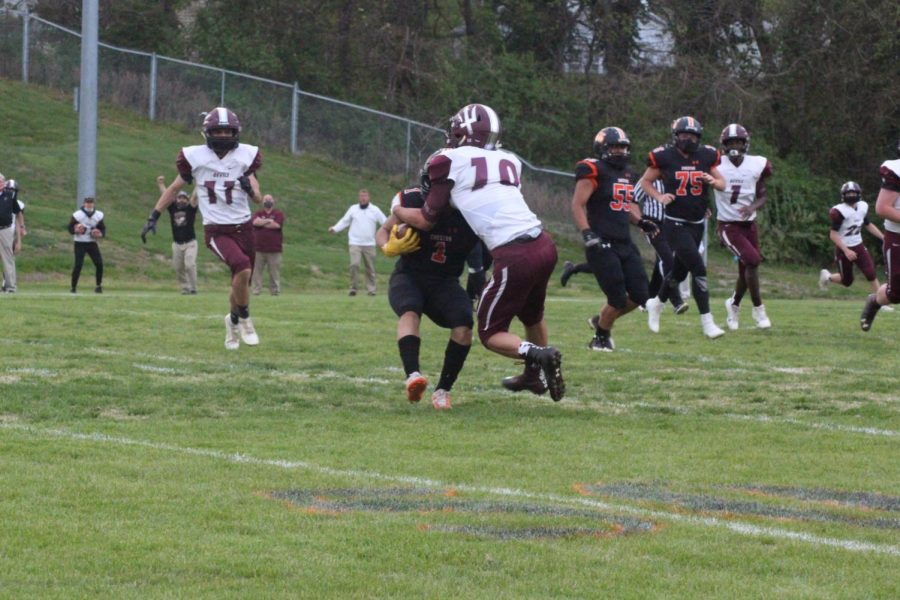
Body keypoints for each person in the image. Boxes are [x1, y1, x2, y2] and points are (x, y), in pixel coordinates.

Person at [393, 103, 565, 401]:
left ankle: (537, 355)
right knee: (532, 315)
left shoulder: (446, 159)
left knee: (490, 334)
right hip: (544, 245)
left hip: (514, 252)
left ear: (461, 132)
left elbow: (425, 218)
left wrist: (396, 208)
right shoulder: (510, 160)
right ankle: (533, 377)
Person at [142, 107, 263, 350]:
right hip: (217, 229)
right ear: (207, 132)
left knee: (241, 280)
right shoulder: (194, 156)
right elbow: (175, 189)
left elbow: (259, 198)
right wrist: (154, 215)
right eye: (217, 130)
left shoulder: (246, 156)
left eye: (227, 131)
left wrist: (248, 189)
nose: (223, 135)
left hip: (245, 226)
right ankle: (246, 319)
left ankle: (232, 321)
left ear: (235, 132)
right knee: (242, 268)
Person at [376, 168, 479, 409]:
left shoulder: (471, 213)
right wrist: (388, 247)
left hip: (445, 281)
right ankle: (413, 376)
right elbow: (382, 231)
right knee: (409, 310)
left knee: (464, 325)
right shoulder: (413, 202)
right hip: (410, 275)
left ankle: (443, 390)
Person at [570, 126, 659, 351]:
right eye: (614, 147)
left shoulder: (626, 173)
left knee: (641, 294)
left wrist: (640, 221)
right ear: (602, 148)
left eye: (623, 147)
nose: (619, 151)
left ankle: (600, 320)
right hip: (602, 241)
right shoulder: (593, 169)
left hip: (624, 241)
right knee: (617, 298)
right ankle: (600, 337)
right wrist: (586, 232)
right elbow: (578, 204)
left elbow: (621, 206)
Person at [639, 115, 728, 338]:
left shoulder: (707, 155)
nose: (687, 139)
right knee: (698, 268)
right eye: (683, 135)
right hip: (674, 223)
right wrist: (659, 196)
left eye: (692, 135)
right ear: (676, 136)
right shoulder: (665, 157)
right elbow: (645, 182)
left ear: (698, 137)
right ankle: (707, 322)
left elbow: (722, 184)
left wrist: (712, 181)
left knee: (678, 271)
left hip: (697, 223)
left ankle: (657, 303)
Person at [714, 124, 774, 330]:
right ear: (724, 145)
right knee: (753, 260)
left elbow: (763, 195)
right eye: (730, 143)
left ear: (745, 143)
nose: (734, 146)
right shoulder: (715, 165)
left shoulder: (756, 164)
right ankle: (759, 309)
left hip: (750, 225)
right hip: (728, 225)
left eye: (738, 142)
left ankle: (734, 304)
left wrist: (752, 207)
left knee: (746, 269)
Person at [819, 182, 886, 298]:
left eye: (853, 193)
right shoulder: (839, 212)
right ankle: (827, 276)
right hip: (843, 249)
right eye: (848, 193)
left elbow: (868, 224)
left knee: (871, 273)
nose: (851, 195)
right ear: (843, 195)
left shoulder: (862, 207)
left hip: (858, 246)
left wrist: (883, 237)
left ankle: (880, 301)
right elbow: (833, 235)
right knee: (847, 281)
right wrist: (846, 251)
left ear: (858, 194)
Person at [861, 141, 900, 330]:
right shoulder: (895, 170)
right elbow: (882, 208)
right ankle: (875, 302)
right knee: (895, 294)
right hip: (897, 237)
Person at [329, 189, 386, 296]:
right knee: (354, 264)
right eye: (361, 196)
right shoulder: (353, 209)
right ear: (358, 198)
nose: (363, 198)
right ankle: (353, 288)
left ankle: (371, 290)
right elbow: (344, 221)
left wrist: (392, 231)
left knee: (370, 268)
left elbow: (384, 222)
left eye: (365, 196)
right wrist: (335, 229)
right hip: (355, 242)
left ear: (369, 197)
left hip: (369, 244)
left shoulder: (375, 210)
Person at [156, 176, 199, 295]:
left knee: (190, 265)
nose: (181, 200)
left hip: (190, 243)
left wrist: (198, 183)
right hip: (177, 243)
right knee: (178, 267)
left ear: (187, 199)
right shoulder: (173, 208)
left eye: (184, 198)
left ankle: (193, 288)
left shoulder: (190, 209)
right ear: (176, 199)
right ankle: (185, 288)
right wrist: (161, 184)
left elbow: (195, 197)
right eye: (179, 197)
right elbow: (166, 196)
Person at [68, 197, 105, 293]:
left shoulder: (98, 215)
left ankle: (98, 285)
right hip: (80, 242)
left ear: (93, 204)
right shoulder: (77, 215)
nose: (89, 205)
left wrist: (100, 233)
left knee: (99, 263)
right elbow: (70, 227)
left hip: (92, 242)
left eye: (91, 203)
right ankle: (73, 287)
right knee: (78, 264)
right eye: (87, 203)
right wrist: (75, 230)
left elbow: (102, 228)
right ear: (84, 204)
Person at [251, 194, 285, 295]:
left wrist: (262, 223)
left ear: (273, 201)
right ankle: (256, 290)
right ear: (263, 202)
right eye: (266, 199)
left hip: (274, 249)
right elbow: (255, 223)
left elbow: (276, 225)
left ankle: (275, 291)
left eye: (270, 199)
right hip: (258, 248)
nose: (268, 201)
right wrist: (268, 221)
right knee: (256, 272)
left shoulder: (278, 214)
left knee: (274, 272)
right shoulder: (258, 213)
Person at [0, 174, 22, 293]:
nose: (0, 183)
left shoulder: (9, 195)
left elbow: (17, 211)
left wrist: (22, 226)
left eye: (2, 181)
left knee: (8, 256)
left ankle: (10, 285)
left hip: (5, 229)